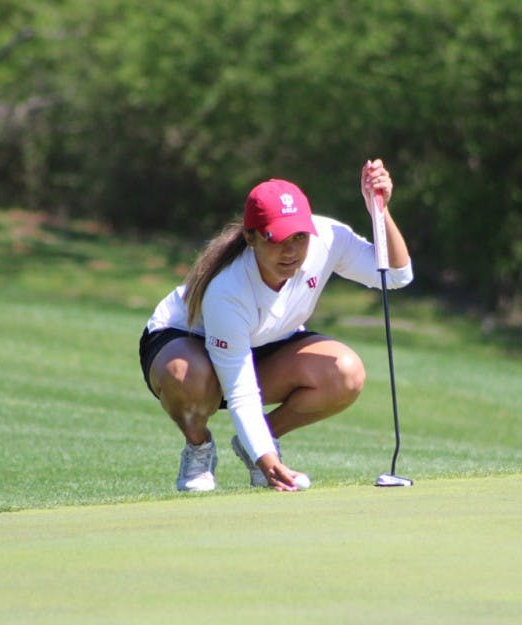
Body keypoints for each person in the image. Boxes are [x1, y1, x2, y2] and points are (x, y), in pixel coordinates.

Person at [139, 159, 412, 492]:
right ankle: (198, 447)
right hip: (186, 342)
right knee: (188, 376)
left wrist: (378, 211)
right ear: (251, 238)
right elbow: (240, 390)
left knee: (346, 373)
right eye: (276, 239)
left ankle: (256, 439)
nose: (291, 251)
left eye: (299, 237)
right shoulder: (228, 288)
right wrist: (267, 462)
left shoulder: (327, 237)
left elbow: (397, 276)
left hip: (269, 341)